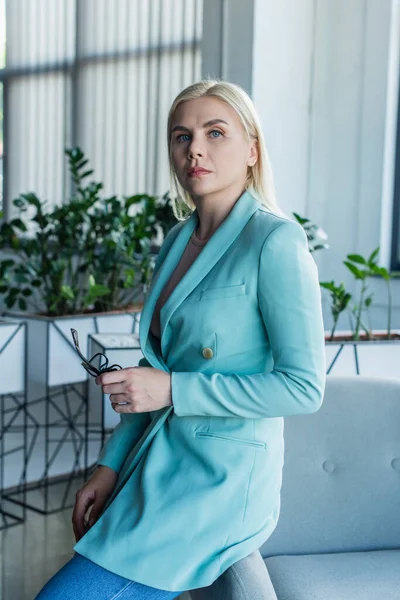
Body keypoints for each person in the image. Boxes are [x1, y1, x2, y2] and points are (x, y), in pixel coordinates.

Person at [34, 79, 326, 599]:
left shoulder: (275, 241)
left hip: (219, 481)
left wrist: (173, 389)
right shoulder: (175, 241)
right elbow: (155, 365)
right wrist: (109, 463)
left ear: (253, 149)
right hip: (157, 460)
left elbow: (303, 387)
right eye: (181, 135)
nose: (195, 148)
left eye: (216, 133)